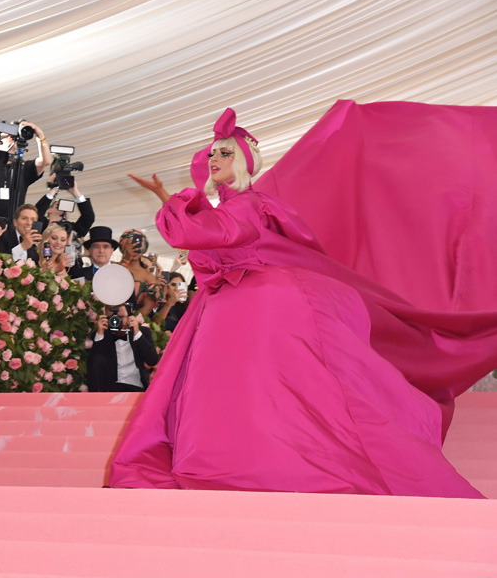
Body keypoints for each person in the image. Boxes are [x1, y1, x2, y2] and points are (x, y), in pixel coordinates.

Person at [109, 108, 487, 498]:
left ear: (241, 161)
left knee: (256, 386)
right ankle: (250, 458)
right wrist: (173, 199)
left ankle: (257, 462)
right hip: (239, 299)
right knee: (247, 387)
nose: (214, 160)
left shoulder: (247, 205)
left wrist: (175, 202)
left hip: (256, 300)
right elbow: (211, 231)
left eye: (224, 154)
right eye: (212, 154)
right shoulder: (240, 204)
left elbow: (212, 231)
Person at [87, 304, 159, 392]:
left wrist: (136, 333)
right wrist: (99, 335)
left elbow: (152, 360)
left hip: (137, 387)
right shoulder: (102, 335)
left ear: (129, 317)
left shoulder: (142, 332)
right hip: (111, 389)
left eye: (121, 317)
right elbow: (94, 365)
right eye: (112, 318)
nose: (117, 321)